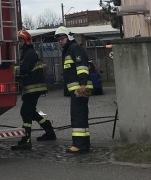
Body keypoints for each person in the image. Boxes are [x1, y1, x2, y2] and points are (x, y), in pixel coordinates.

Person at [11, 29, 56, 150]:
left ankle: (26, 140)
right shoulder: (28, 52)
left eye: (21, 40)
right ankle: (49, 130)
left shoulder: (30, 53)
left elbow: (24, 69)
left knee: (25, 112)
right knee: (30, 112)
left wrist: (11, 70)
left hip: (33, 88)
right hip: (33, 88)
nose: (19, 43)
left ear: (25, 41)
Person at [55, 26, 93, 154]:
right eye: (59, 39)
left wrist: (82, 84)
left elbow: (82, 66)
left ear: (69, 37)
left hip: (79, 89)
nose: (61, 41)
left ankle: (79, 145)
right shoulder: (69, 49)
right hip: (76, 89)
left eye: (62, 38)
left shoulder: (74, 48)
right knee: (81, 116)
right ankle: (84, 144)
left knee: (77, 116)